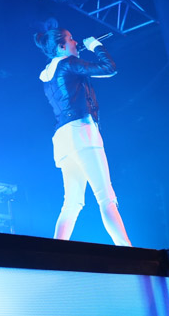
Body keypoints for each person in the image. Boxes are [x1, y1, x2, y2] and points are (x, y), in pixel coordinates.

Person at [34, 28, 132, 246]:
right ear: (61, 46)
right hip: (81, 132)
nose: (76, 42)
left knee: (72, 202)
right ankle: (128, 251)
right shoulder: (68, 63)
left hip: (63, 139)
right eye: (71, 39)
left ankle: (56, 252)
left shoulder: (48, 74)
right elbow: (109, 68)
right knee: (106, 198)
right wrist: (96, 46)